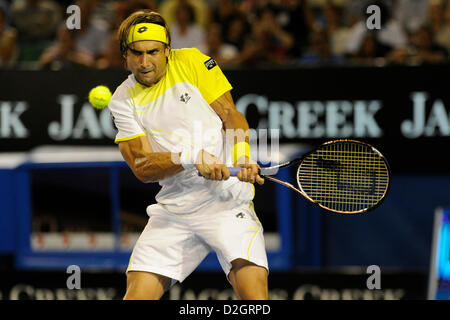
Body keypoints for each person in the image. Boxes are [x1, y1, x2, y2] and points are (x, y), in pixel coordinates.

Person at [108, 10, 268, 300]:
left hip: (227, 202)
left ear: (167, 50)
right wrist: (192, 158)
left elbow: (230, 114)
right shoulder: (122, 100)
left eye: (153, 52)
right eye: (137, 53)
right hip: (175, 210)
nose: (145, 63)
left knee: (255, 299)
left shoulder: (192, 61)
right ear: (125, 55)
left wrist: (242, 155)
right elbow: (143, 167)